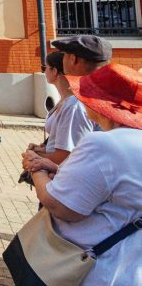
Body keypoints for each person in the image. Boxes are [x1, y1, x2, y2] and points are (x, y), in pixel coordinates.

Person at [20, 64, 142, 286]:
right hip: (130, 267)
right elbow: (115, 190)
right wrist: (56, 169)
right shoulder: (131, 141)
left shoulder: (104, 144)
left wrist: (36, 168)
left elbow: (60, 206)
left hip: (95, 268)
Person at [26, 37, 110, 166]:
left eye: (65, 54)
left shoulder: (75, 104)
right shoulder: (88, 95)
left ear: (73, 59)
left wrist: (34, 156)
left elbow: (67, 157)